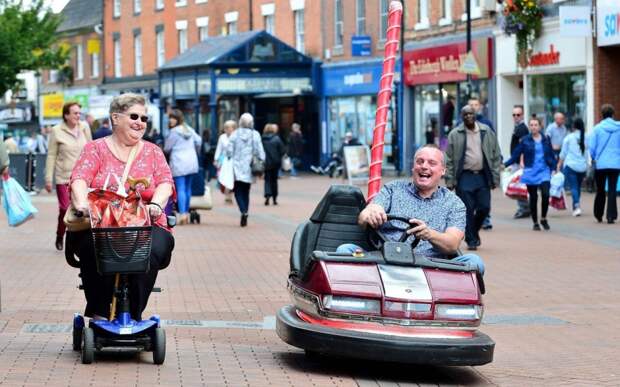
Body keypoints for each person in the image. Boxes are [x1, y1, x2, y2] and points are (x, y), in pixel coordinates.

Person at [67, 93, 174, 321]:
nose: (140, 123)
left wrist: (156, 203)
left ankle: (134, 314)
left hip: (144, 222)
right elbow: (79, 178)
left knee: (153, 250)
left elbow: (165, 182)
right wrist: (81, 204)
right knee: (93, 248)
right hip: (101, 221)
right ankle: (100, 311)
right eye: (134, 116)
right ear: (115, 118)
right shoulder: (95, 149)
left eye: (144, 119)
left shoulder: (153, 152)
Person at [338, 144, 485, 275]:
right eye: (420, 162)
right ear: (413, 167)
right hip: (383, 262)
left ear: (443, 171)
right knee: (344, 250)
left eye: (432, 163)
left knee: (475, 262)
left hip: (431, 268)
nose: (424, 166)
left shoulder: (454, 203)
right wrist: (371, 213)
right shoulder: (393, 189)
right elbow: (366, 215)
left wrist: (429, 234)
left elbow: (452, 244)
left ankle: (451, 303)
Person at [445, 106, 501, 250]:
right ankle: (471, 240)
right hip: (464, 176)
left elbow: (495, 155)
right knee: (467, 209)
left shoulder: (486, 131)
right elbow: (449, 159)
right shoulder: (455, 134)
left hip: (482, 175)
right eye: (465, 114)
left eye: (471, 114)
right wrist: (450, 180)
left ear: (476, 115)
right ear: (461, 117)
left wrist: (495, 177)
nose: (468, 116)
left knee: (484, 208)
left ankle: (472, 231)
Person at [45, 101, 92, 250]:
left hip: (83, 178)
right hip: (63, 177)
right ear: (66, 115)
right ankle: (60, 235)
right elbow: (51, 155)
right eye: (75, 113)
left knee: (82, 210)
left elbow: (91, 151)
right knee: (65, 208)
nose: (78, 116)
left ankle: (75, 240)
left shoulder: (84, 127)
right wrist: (48, 179)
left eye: (79, 113)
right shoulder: (56, 130)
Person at [504, 117, 556, 231]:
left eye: (535, 125)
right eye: (531, 125)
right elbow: (516, 155)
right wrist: (505, 164)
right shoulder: (525, 140)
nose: (533, 127)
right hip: (531, 171)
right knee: (533, 197)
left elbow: (551, 155)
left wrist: (554, 167)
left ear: (540, 126)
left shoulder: (546, 139)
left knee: (546, 194)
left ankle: (543, 218)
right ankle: (535, 222)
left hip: (544, 171)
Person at [226, 113, 265, 227]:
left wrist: (229, 158)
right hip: (249, 166)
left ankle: (243, 211)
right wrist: (262, 160)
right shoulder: (255, 134)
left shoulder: (235, 134)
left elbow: (229, 151)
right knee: (246, 190)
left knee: (238, 190)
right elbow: (260, 151)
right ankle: (246, 211)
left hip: (236, 166)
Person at [164, 109, 202, 225]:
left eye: (173, 118)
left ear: (178, 119)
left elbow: (167, 148)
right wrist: (195, 151)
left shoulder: (174, 132)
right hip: (191, 161)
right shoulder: (189, 129)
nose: (171, 120)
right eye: (170, 117)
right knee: (188, 188)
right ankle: (185, 212)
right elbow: (199, 141)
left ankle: (183, 214)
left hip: (179, 161)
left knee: (180, 188)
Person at [588, 104, 620, 224]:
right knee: (612, 189)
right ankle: (611, 216)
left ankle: (598, 214)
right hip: (615, 164)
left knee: (600, 189)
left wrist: (594, 157)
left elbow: (591, 147)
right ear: (613, 115)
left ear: (602, 115)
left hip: (600, 163)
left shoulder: (597, 128)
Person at [557, 118, 588, 217]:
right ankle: (576, 205)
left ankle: (576, 206)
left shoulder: (569, 137)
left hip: (571, 166)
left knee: (574, 187)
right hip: (582, 166)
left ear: (574, 126)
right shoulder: (586, 137)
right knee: (577, 187)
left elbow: (563, 153)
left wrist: (559, 164)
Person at [509, 105, 531, 219]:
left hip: (519, 162)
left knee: (518, 186)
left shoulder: (522, 128)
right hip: (516, 161)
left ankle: (524, 208)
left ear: (522, 115)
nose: (516, 117)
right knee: (519, 185)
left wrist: (522, 161)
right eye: (514, 115)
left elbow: (524, 146)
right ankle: (525, 207)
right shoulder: (517, 127)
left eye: (518, 114)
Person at [262, 123, 285, 205]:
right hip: (275, 163)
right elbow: (282, 151)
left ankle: (267, 195)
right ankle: (274, 199)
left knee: (267, 180)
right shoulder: (277, 139)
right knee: (274, 180)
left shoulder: (262, 139)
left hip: (266, 162)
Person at [214, 120, 236, 203]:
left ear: (234, 128)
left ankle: (229, 195)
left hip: (233, 161)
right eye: (226, 127)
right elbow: (219, 149)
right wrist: (216, 159)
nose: (227, 129)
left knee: (232, 179)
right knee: (224, 178)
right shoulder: (222, 137)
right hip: (224, 161)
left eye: (229, 127)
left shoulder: (236, 137)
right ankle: (227, 194)